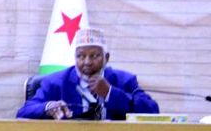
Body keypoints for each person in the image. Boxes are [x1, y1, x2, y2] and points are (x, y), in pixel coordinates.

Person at [17, 28, 158, 120]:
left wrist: (110, 92)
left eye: (94, 56)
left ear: (106, 58)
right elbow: (23, 112)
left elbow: (152, 111)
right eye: (80, 56)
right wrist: (48, 107)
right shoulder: (55, 82)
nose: (87, 62)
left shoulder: (124, 80)